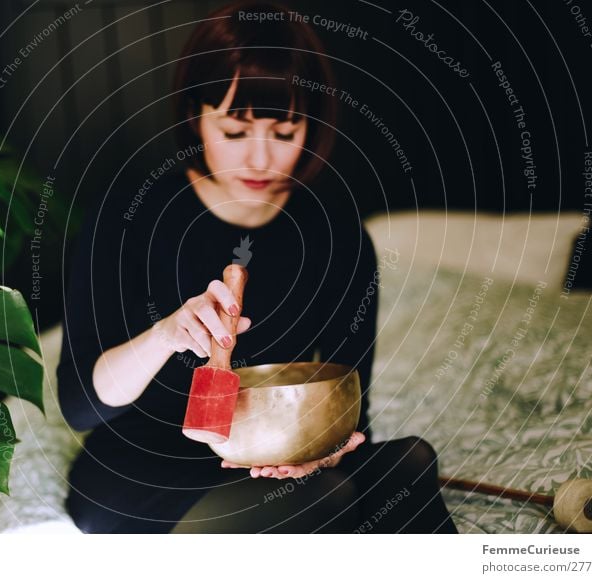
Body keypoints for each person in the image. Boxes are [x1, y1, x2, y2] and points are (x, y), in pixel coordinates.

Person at [58, 0, 458, 534]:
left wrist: (324, 451)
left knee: (408, 463)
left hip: (275, 456)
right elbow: (81, 405)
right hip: (145, 465)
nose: (259, 161)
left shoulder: (336, 236)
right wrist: (166, 334)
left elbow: (347, 409)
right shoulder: (127, 216)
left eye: (285, 132)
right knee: (326, 500)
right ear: (196, 116)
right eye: (235, 132)